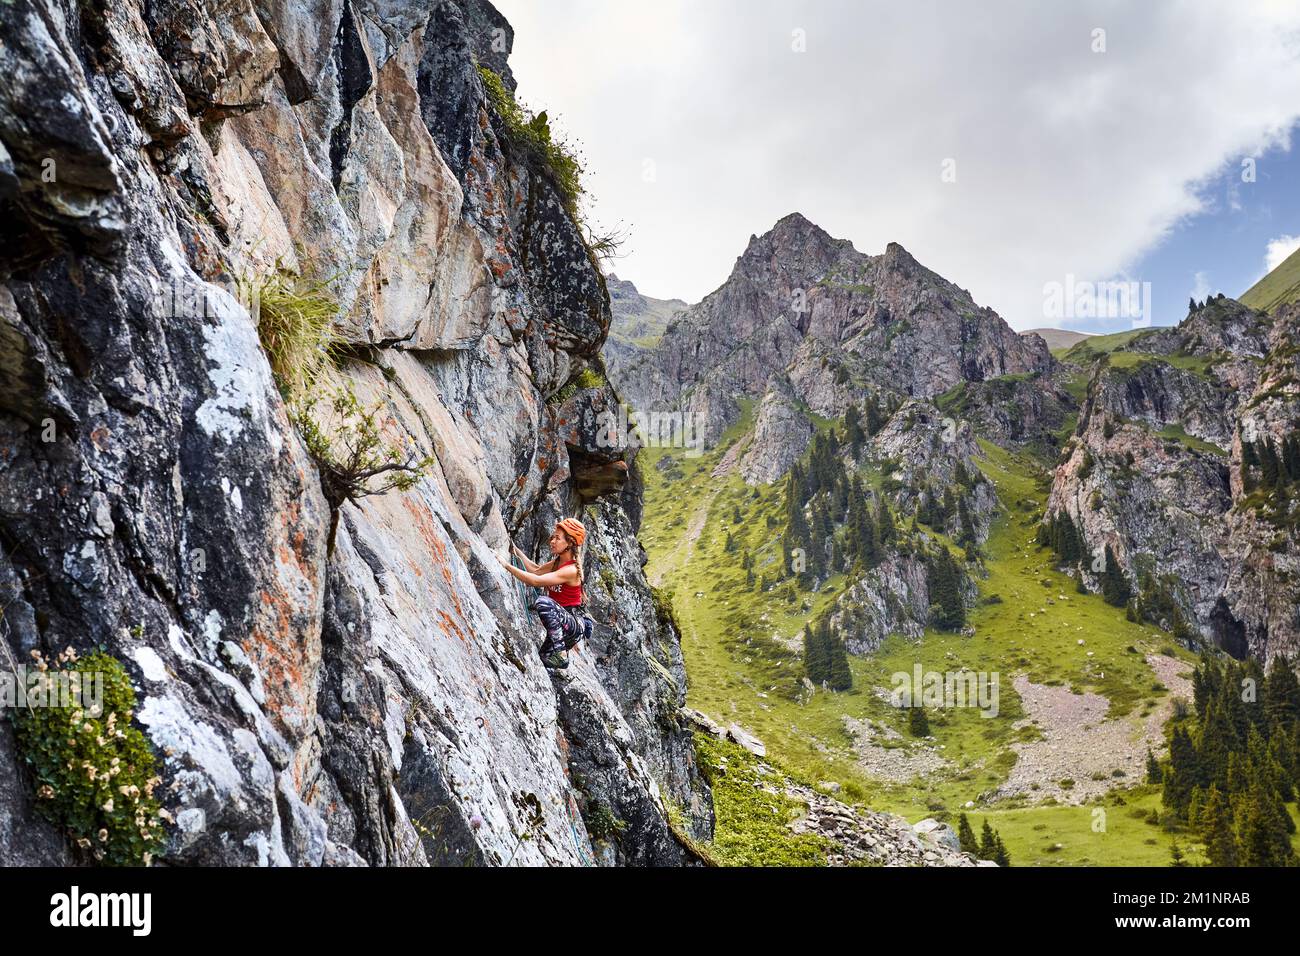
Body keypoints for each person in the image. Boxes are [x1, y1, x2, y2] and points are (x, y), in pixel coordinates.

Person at [499, 518, 592, 669]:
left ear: (569, 543)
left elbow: (535, 581)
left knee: (543, 602)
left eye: (557, 538)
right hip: (564, 623)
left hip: (571, 623)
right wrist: (515, 550)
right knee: (543, 658)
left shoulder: (571, 570)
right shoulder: (557, 563)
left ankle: (561, 654)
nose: (552, 541)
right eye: (552, 537)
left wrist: (505, 565)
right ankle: (558, 658)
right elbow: (535, 570)